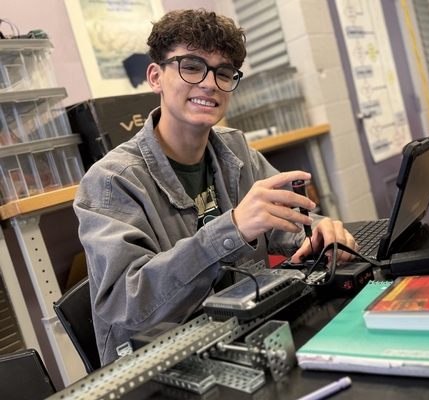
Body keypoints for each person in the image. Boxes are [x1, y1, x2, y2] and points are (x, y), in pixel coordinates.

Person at [73, 9, 358, 366]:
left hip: (242, 334)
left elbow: (291, 226)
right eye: (191, 66)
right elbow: (128, 304)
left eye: (223, 73)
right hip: (164, 364)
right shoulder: (110, 181)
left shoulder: (235, 151)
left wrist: (319, 234)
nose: (209, 83)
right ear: (155, 77)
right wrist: (232, 229)